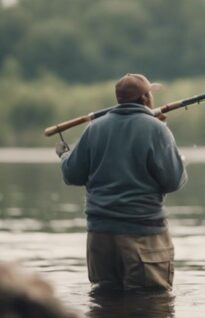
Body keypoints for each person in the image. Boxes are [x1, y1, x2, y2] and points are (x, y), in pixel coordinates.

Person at [56, 73, 187, 292]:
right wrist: (177, 157)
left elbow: (72, 175)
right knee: (150, 305)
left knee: (104, 304)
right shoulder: (157, 129)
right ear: (145, 98)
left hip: (100, 236)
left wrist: (63, 156)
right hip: (143, 234)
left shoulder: (94, 128)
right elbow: (173, 181)